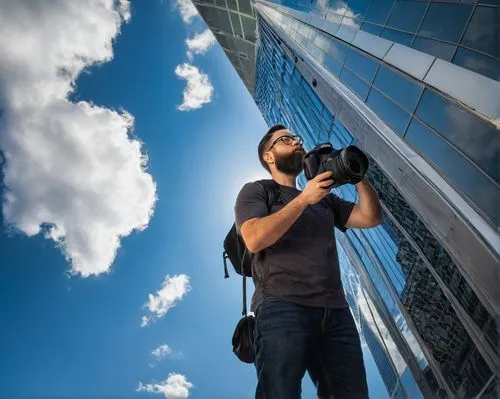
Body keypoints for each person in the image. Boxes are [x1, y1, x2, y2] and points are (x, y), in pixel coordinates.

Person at [234, 124, 383, 399]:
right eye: (286, 139)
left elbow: (371, 217)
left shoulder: (324, 200)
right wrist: (304, 198)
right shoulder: (258, 190)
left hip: (336, 313)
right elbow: (254, 238)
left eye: (297, 138)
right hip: (281, 306)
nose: (296, 143)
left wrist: (354, 174)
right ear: (269, 156)